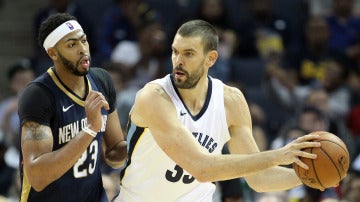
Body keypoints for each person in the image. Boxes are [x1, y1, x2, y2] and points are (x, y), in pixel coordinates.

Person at [113, 19, 322, 202]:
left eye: (188, 54)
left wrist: (314, 175)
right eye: (175, 52)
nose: (178, 61)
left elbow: (259, 178)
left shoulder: (230, 101)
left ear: (211, 59)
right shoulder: (154, 97)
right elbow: (201, 167)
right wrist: (279, 156)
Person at [18, 13, 127, 202]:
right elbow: (37, 177)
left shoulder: (102, 80)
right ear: (53, 53)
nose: (82, 49)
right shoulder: (38, 95)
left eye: (84, 41)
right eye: (72, 45)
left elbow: (114, 154)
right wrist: (90, 129)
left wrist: (145, 140)